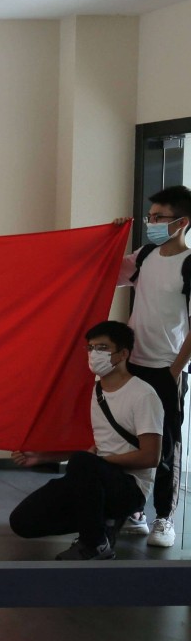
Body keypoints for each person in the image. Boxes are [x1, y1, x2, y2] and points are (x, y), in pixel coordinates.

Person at [9, 321, 162, 560]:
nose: (94, 354)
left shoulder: (143, 394)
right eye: (90, 348)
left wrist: (100, 462)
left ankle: (95, 544)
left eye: (102, 347)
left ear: (123, 353)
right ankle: (102, 523)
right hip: (93, 478)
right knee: (23, 521)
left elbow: (150, 456)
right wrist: (41, 458)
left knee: (83, 463)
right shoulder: (96, 390)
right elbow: (94, 451)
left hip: (130, 487)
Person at [111, 185, 190, 549]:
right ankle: (134, 510)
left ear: (182, 222)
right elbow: (107, 271)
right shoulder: (145, 255)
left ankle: (164, 517)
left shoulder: (189, 264)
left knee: (165, 444)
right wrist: (111, 237)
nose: (152, 223)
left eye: (159, 217)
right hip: (133, 364)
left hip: (165, 368)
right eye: (150, 217)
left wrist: (174, 371)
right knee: (129, 438)